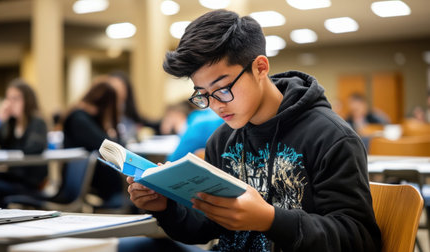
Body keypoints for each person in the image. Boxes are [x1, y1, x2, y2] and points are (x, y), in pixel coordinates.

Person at [122, 10, 381, 252]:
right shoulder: (222, 141)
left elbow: (359, 238)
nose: (215, 106)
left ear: (260, 67)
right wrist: (165, 208)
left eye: (223, 89)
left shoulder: (331, 137)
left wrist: (271, 220)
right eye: (203, 95)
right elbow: (206, 226)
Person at [0, 79, 48, 207]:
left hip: (29, 182)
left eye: (16, 99)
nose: (10, 103)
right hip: (13, 177)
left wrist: (7, 156)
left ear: (27, 101)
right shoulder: (8, 124)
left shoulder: (37, 122)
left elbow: (35, 147)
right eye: (8, 99)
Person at [62, 81, 123, 205]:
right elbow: (111, 147)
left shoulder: (81, 117)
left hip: (98, 188)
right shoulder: (79, 119)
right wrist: (109, 128)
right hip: (96, 191)